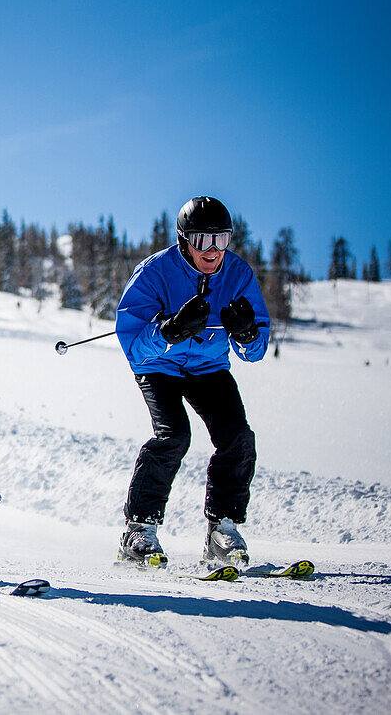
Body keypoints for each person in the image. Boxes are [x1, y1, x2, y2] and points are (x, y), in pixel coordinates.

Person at [115, 195, 269, 568]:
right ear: (184, 240)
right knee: (174, 436)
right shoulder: (154, 272)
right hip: (159, 366)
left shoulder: (238, 274)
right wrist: (169, 331)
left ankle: (223, 529)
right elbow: (133, 345)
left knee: (237, 436)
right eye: (203, 240)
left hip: (208, 367)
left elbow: (257, 350)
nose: (213, 251)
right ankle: (139, 530)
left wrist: (247, 334)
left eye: (222, 240)